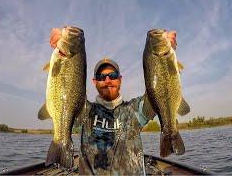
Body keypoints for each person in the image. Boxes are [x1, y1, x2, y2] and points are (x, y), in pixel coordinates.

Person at [49, 28, 177, 175]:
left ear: (120, 80)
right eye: (101, 77)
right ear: (94, 82)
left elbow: (159, 94)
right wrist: (61, 45)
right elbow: (67, 90)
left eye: (113, 75)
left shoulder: (135, 109)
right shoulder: (85, 111)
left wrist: (163, 62)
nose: (107, 80)